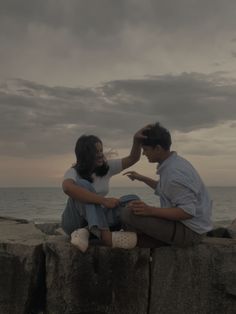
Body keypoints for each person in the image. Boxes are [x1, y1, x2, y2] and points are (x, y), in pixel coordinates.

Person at [123, 122, 213, 248]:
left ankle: (140, 241)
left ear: (158, 148)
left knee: (128, 213)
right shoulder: (174, 163)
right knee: (132, 205)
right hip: (191, 226)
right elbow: (166, 189)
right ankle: (143, 240)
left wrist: (150, 210)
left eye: (146, 150)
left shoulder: (174, 174)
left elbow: (187, 212)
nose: (144, 154)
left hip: (191, 232)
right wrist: (142, 178)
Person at [61, 131, 144, 252]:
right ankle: (106, 237)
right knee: (83, 185)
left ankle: (86, 232)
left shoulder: (106, 168)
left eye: (101, 151)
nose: (100, 155)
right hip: (74, 221)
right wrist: (103, 201)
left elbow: (133, 158)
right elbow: (67, 188)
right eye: (95, 152)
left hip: (96, 221)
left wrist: (136, 141)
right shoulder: (74, 172)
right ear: (85, 155)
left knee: (132, 198)